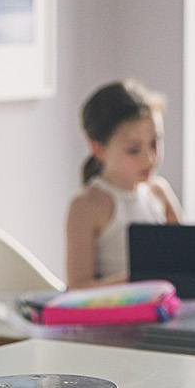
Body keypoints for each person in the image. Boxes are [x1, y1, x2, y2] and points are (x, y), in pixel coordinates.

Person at [66, 80, 183, 288]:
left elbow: (188, 257)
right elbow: (78, 287)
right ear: (99, 149)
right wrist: (140, 280)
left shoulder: (160, 192)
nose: (150, 158)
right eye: (133, 150)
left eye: (155, 142)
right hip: (114, 316)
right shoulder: (86, 206)